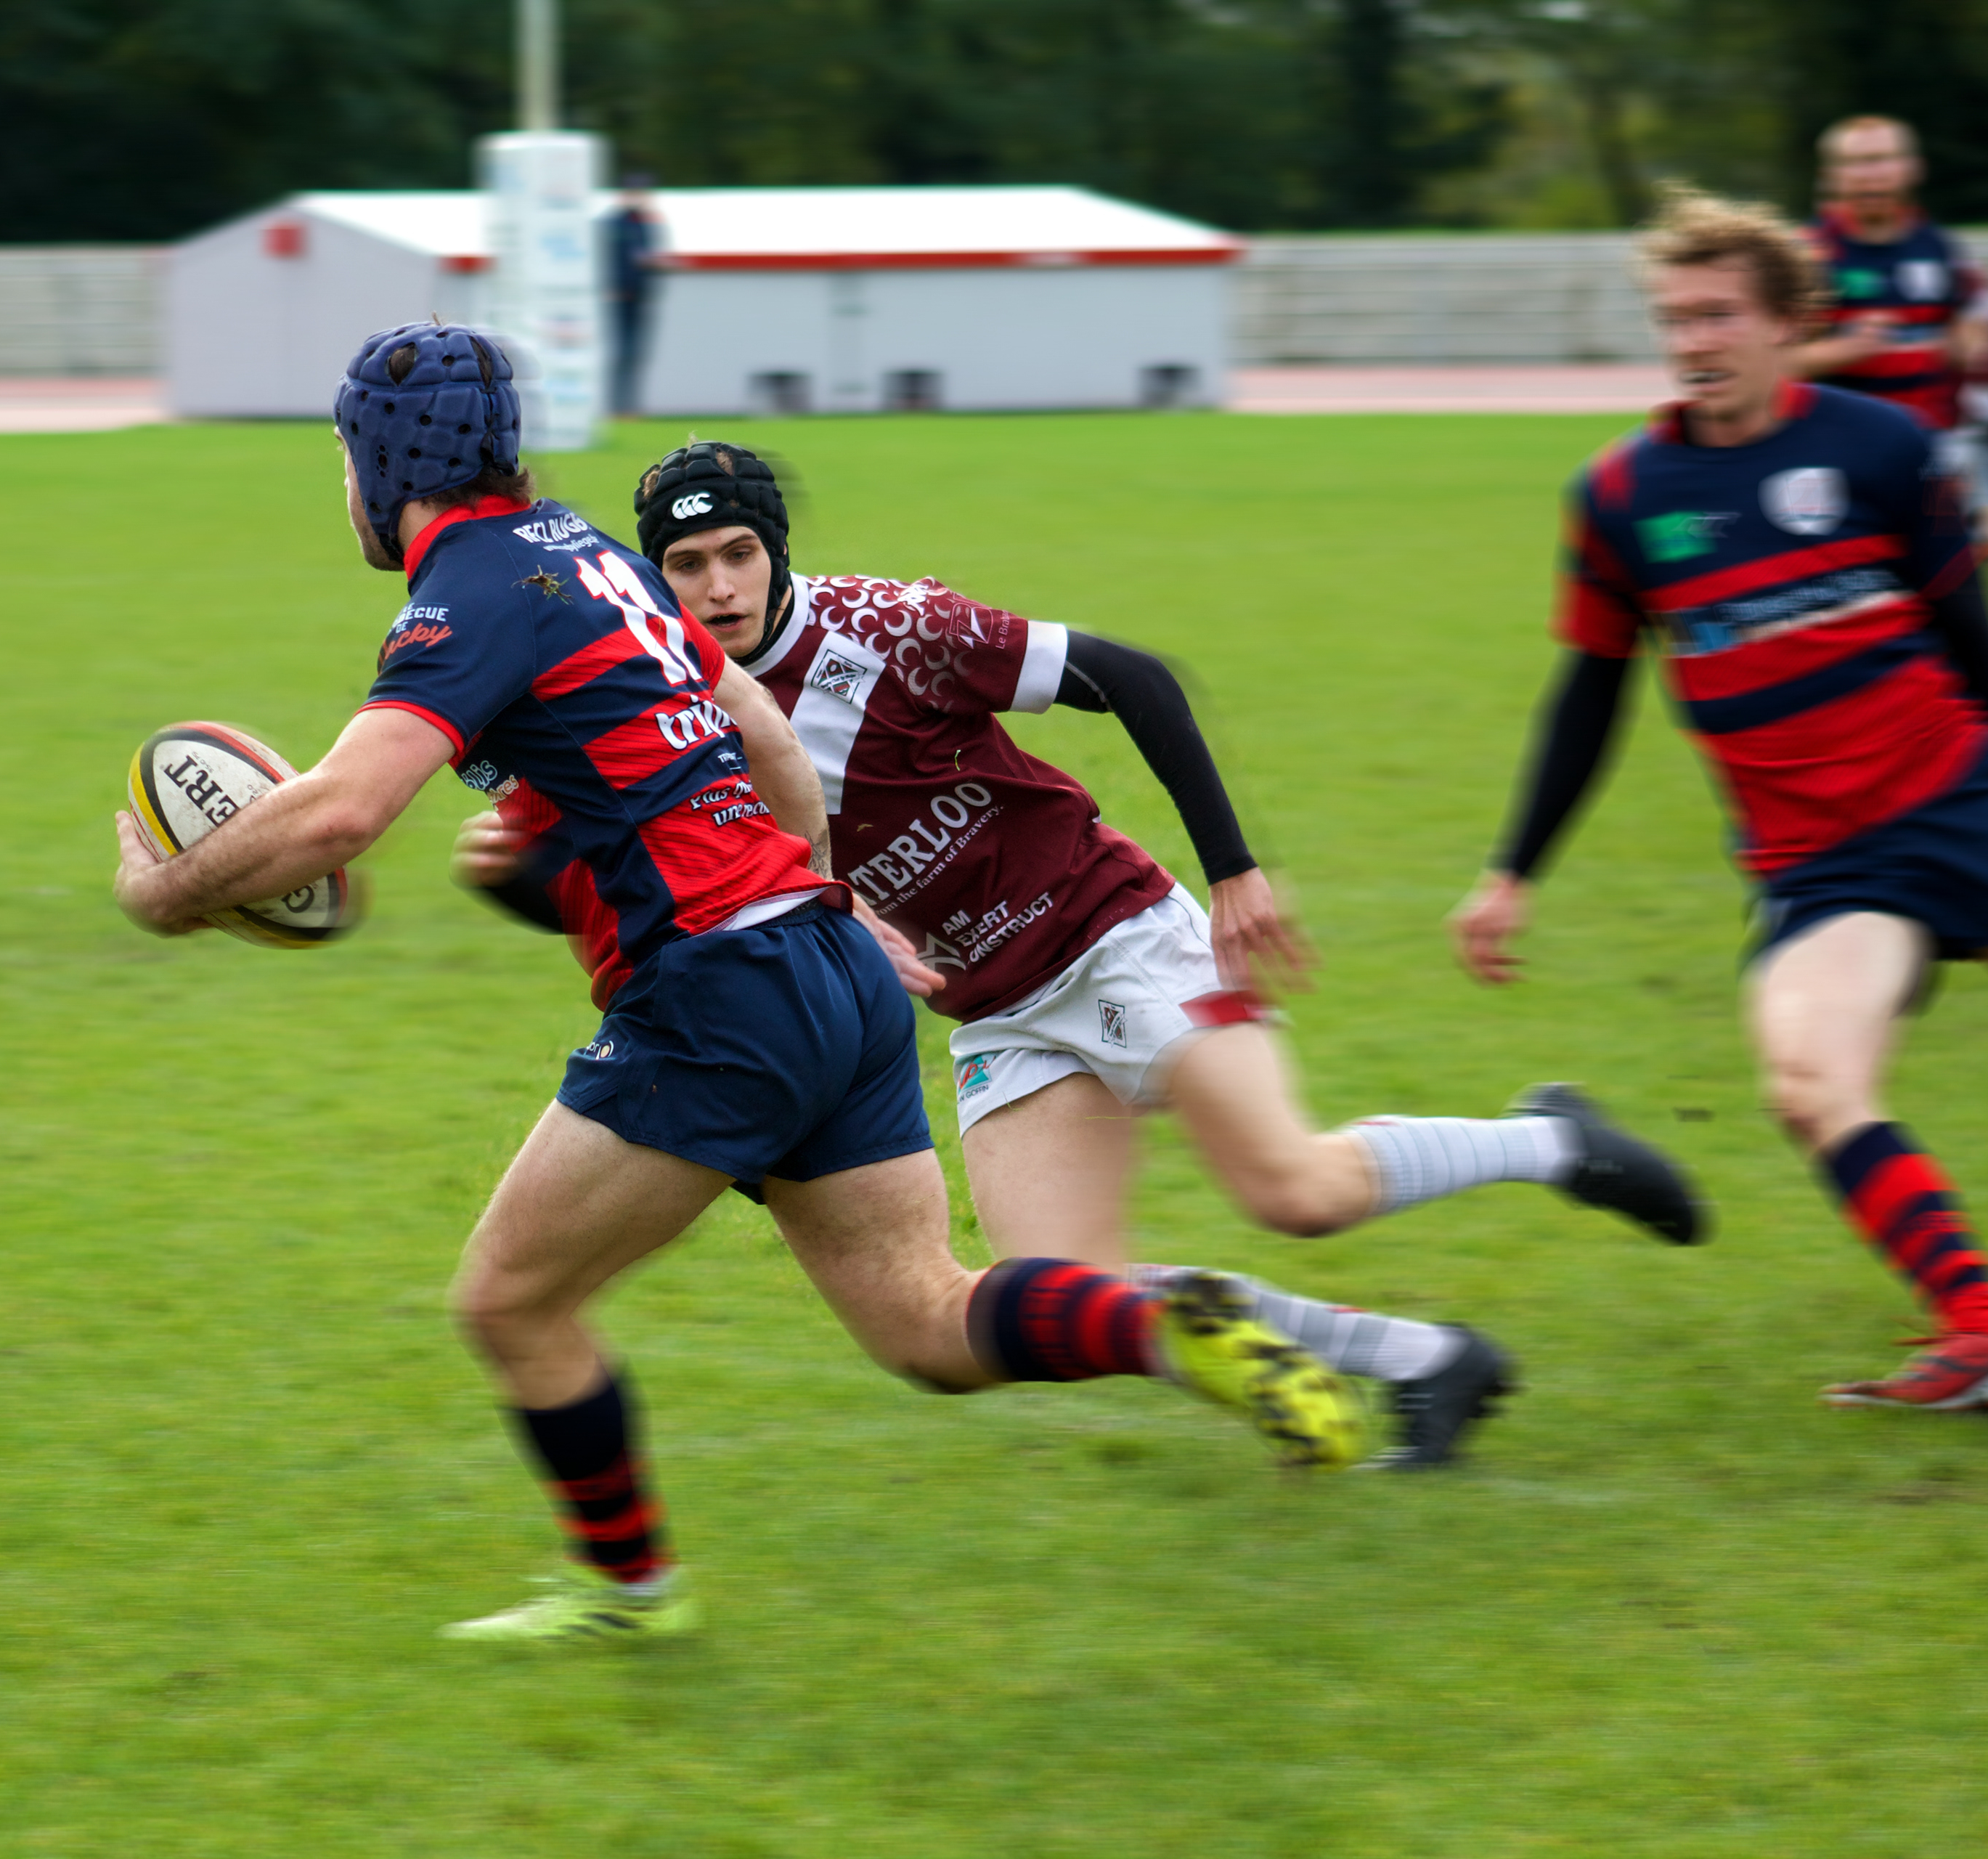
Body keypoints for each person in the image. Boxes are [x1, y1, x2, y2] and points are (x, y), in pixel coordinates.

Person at [113, 322, 1367, 1647]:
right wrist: (816, 892)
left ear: (379, 467)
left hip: (716, 993)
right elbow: (768, 734)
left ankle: (630, 1596)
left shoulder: (467, 592)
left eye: (342, 461)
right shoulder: (590, 553)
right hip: (826, 964)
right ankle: (1158, 1324)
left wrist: (164, 894)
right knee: (925, 1323)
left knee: (509, 1302)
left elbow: (338, 815)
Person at [459, 441, 1705, 1467]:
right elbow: (660, 890)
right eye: (686, 566)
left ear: (777, 553)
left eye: (740, 553)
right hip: (998, 1012)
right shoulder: (677, 703)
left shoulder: (892, 629)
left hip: (1114, 935)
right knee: (1062, 1289)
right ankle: (1427, 1360)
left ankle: (1554, 1140)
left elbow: (1132, 676)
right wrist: (524, 876)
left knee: (1295, 1191)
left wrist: (1235, 870)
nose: (719, 586)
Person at [1454, 187, 1988, 1412]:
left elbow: (1968, 630)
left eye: (1718, 315)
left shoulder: (1881, 448)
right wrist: (1511, 872)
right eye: (1674, 318)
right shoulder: (1620, 496)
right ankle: (1976, 1324)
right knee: (1808, 1080)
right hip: (1830, 868)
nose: (1692, 340)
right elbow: (1590, 694)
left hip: (1959, 793)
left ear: (1788, 323)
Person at [1796, 116, 1984, 439]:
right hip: (1842, 442)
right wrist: (1839, 351)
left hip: (1934, 438)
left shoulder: (1939, 246)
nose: (1870, 174)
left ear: (1914, 168)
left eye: (1882, 159)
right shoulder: (1805, 255)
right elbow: (1769, 364)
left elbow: (1965, 330)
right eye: (1854, 162)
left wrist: (1969, 344)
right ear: (1829, 176)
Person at [600, 177, 666, 417]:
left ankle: (628, 407)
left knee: (634, 354)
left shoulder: (641, 223)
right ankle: (618, 407)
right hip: (620, 297)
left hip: (638, 295)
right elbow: (614, 259)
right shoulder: (617, 224)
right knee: (622, 354)